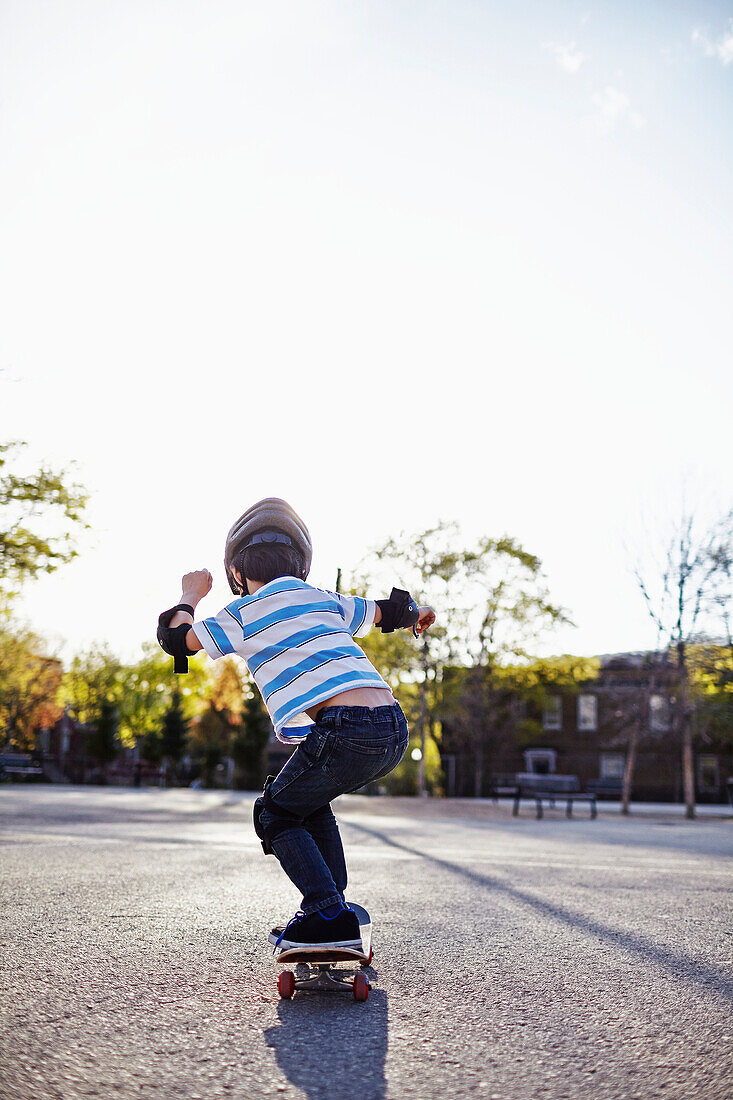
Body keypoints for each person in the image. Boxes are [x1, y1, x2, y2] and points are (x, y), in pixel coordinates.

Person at [156, 497, 435, 952]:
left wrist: (190, 594)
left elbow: (176, 640)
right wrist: (416, 614)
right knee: (307, 802)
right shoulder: (323, 599)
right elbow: (388, 610)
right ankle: (332, 908)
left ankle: (327, 913)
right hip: (392, 725)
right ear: (300, 565)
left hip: (344, 730)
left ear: (238, 574)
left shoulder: (242, 615)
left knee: (273, 812)